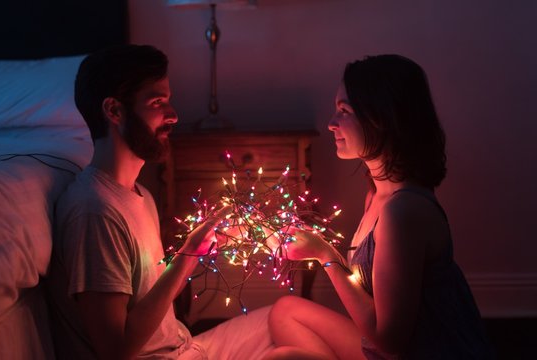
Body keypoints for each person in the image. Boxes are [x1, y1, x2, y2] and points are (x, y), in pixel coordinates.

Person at [45, 44, 275, 360]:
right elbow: (116, 349)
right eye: (158, 102)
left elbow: (150, 297)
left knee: (286, 317)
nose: (173, 115)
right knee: (290, 354)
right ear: (113, 111)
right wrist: (187, 256)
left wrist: (202, 249)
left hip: (183, 347)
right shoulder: (94, 211)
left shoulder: (139, 194)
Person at [266, 55, 493, 359]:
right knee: (285, 311)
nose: (331, 124)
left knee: (279, 358)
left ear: (382, 118)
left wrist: (325, 255)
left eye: (344, 110)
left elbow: (391, 342)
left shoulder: (404, 212)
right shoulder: (376, 193)